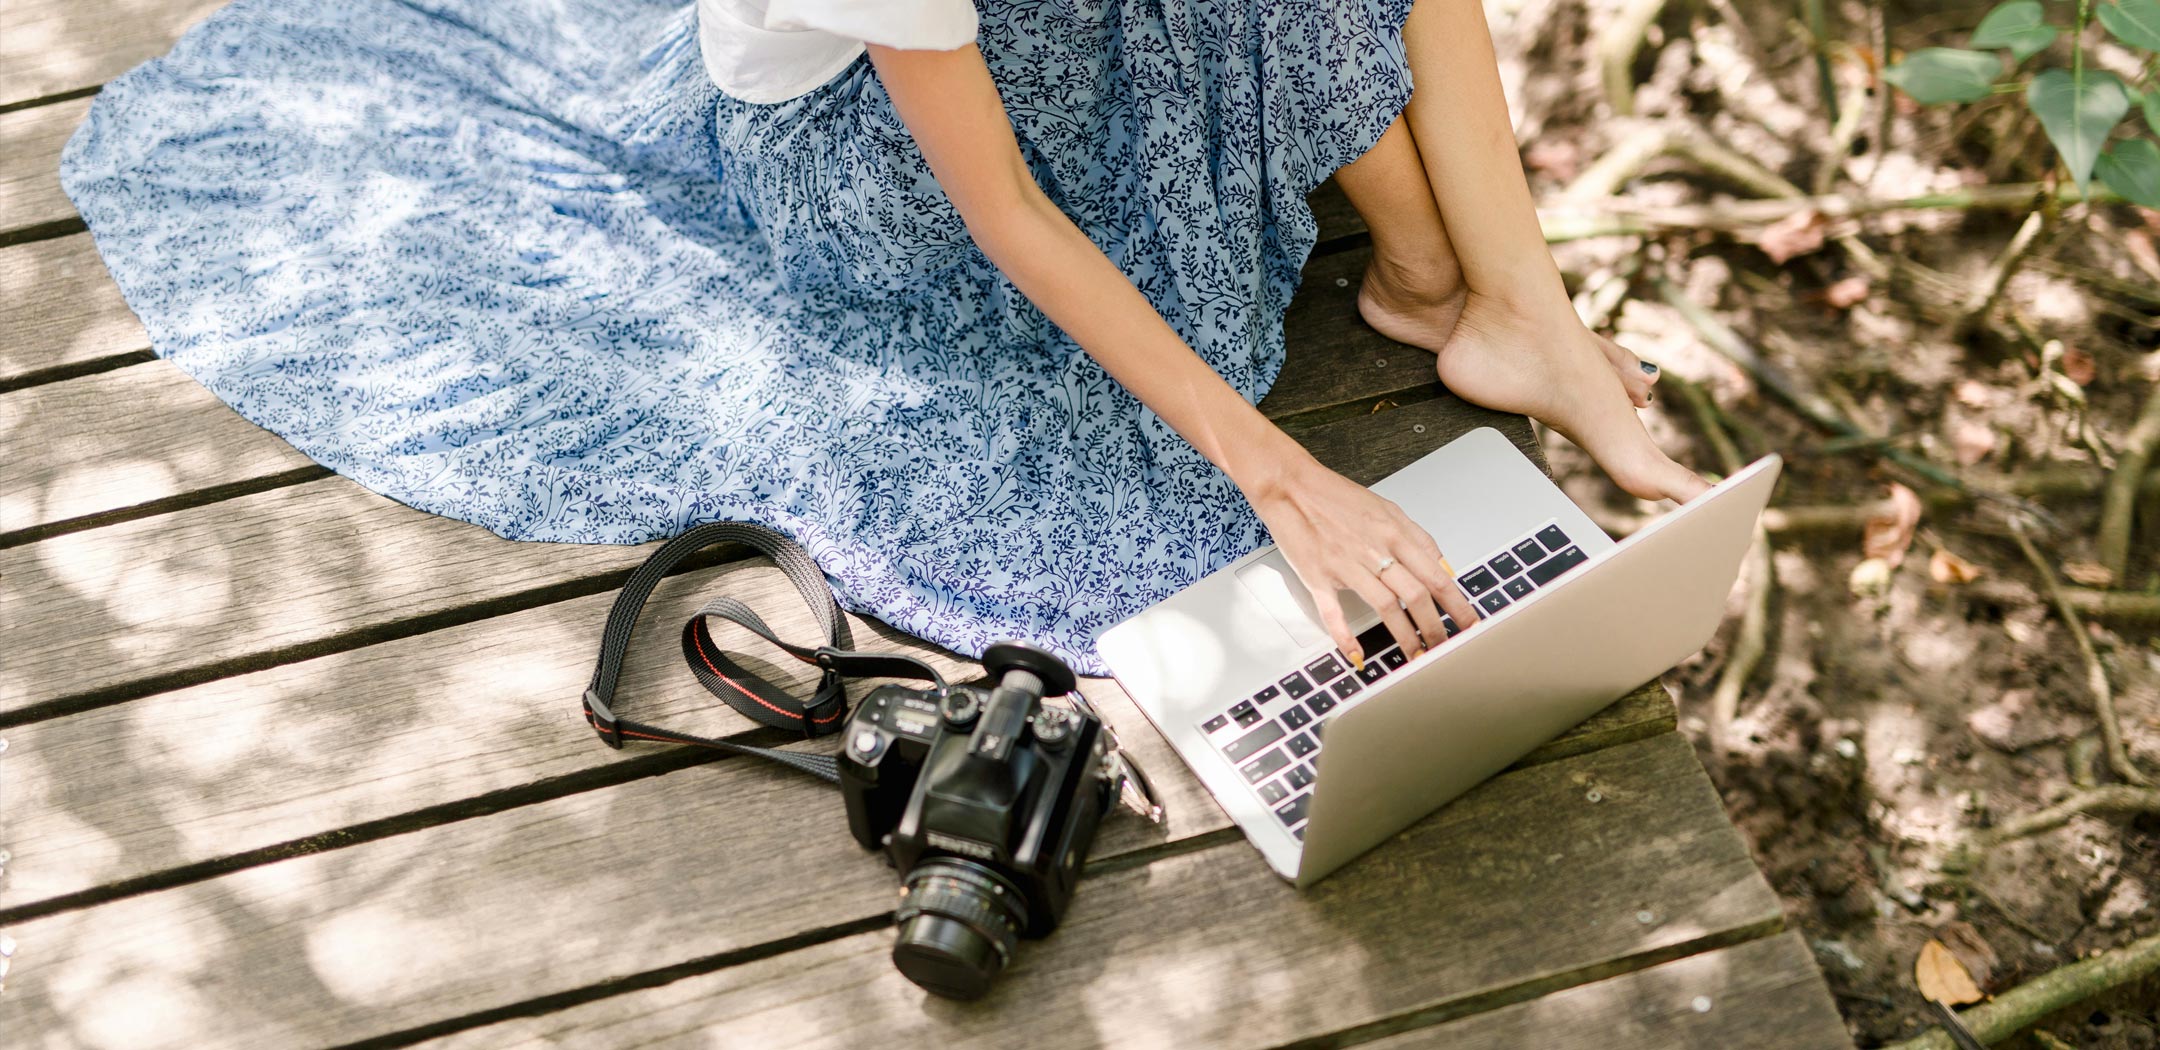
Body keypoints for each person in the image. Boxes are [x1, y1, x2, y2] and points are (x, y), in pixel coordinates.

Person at [63, 0, 1704, 675]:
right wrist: (1280, 477)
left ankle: (1495, 304)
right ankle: (1450, 295)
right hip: (866, 157)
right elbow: (1012, 219)